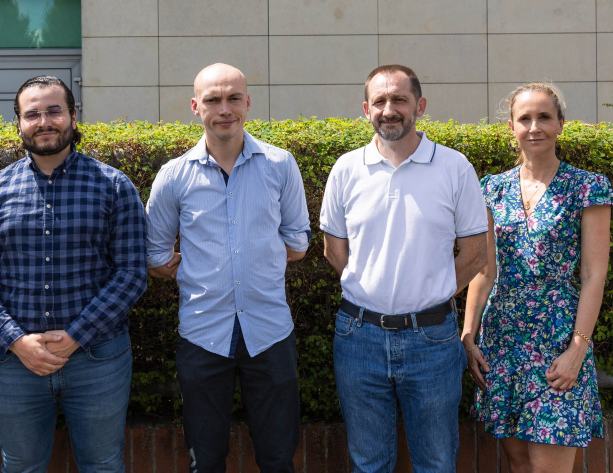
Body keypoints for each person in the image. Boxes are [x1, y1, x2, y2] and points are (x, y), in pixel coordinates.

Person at [0, 76, 147, 472]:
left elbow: (131, 272)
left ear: (73, 116)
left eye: (54, 111)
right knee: (21, 466)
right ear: (19, 124)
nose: (44, 121)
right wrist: (17, 341)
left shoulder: (114, 186)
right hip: (15, 364)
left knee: (103, 464)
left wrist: (77, 335)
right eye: (32, 114)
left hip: (99, 359)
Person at [319, 64, 488, 472]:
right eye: (379, 101)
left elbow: (475, 252)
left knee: (436, 462)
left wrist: (430, 292)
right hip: (358, 337)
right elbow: (333, 251)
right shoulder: (346, 169)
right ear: (366, 109)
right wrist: (373, 289)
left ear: (420, 105)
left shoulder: (454, 168)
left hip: (433, 339)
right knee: (369, 463)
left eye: (399, 99)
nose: (389, 109)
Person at [145, 63, 311, 472]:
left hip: (270, 331)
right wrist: (179, 267)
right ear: (195, 106)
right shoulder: (174, 176)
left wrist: (259, 258)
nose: (224, 109)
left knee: (277, 458)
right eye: (213, 100)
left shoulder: (280, 164)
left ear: (248, 102)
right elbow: (154, 254)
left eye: (234, 98)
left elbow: (298, 242)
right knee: (206, 459)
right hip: (203, 334)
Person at [463, 83, 610, 472]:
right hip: (503, 340)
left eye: (544, 117)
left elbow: (594, 275)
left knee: (549, 466)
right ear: (511, 126)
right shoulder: (492, 189)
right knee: (519, 463)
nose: (534, 127)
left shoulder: (587, 187)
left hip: (558, 339)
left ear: (562, 124)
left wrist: (579, 347)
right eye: (524, 118)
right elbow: (484, 270)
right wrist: (469, 337)